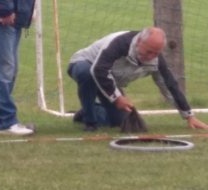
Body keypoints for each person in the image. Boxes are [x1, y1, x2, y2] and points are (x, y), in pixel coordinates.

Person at [67, 27, 208, 132]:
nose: (151, 56)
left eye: (156, 53)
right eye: (149, 51)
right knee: (87, 74)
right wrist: (117, 98)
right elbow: (98, 70)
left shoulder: (156, 60)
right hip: (84, 64)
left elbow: (170, 86)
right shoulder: (119, 44)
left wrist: (188, 115)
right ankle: (89, 123)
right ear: (139, 41)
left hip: (109, 80)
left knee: (120, 120)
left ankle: (84, 112)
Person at [0, 0, 36, 136]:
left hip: (16, 17)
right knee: (4, 71)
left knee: (10, 70)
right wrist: (5, 10)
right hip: (5, 18)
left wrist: (29, 11)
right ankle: (6, 120)